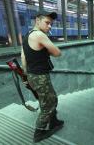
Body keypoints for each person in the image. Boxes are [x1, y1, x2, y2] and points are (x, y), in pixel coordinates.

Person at [21, 10, 63, 143]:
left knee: (48, 99)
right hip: (40, 77)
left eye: (51, 23)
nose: (50, 26)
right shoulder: (39, 35)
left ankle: (54, 121)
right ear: (37, 21)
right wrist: (47, 49)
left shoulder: (27, 35)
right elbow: (57, 53)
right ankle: (39, 133)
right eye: (47, 23)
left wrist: (25, 75)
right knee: (49, 104)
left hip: (33, 75)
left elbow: (23, 56)